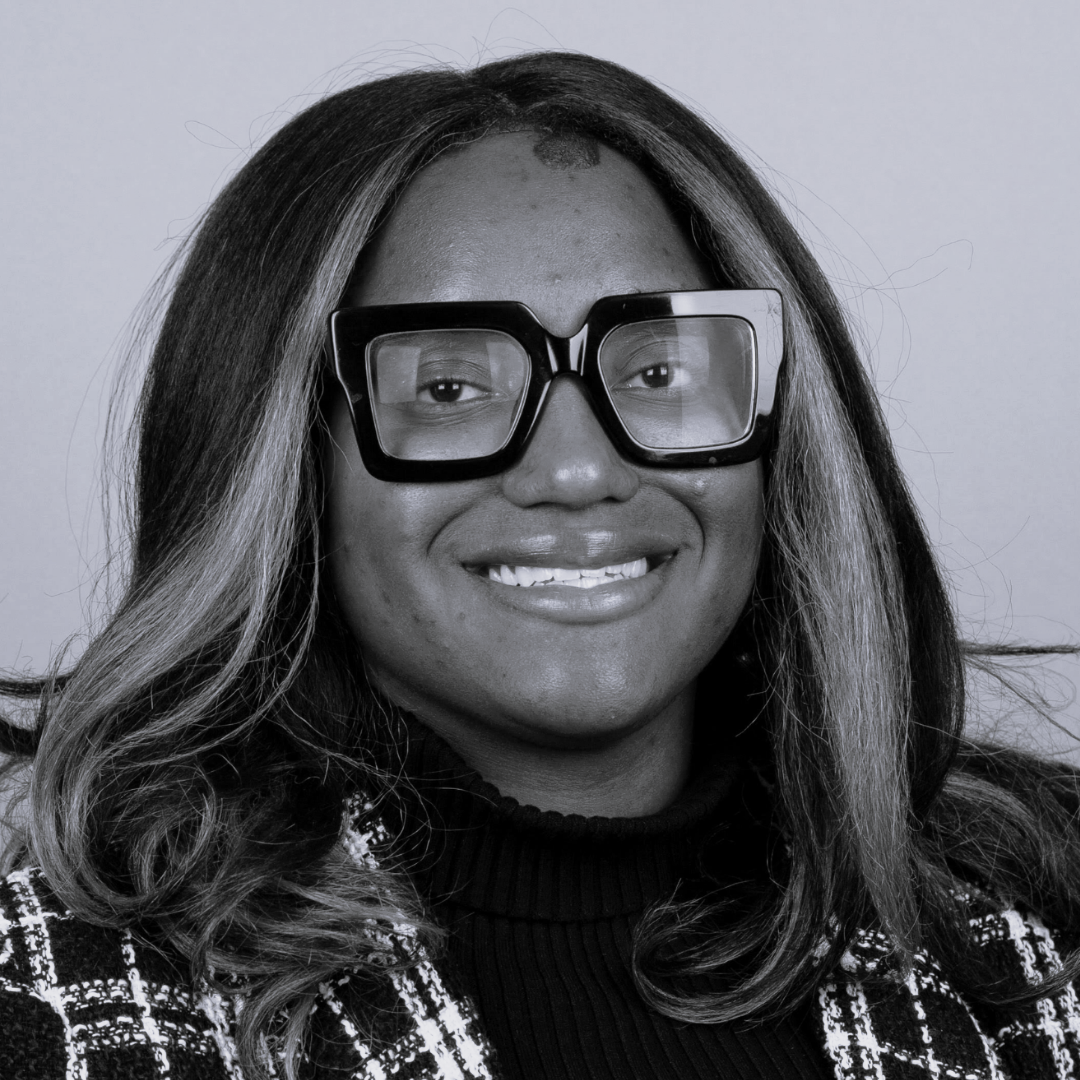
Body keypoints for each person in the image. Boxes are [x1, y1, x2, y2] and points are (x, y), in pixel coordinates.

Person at [1, 50, 1079, 1080]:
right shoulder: (63, 990)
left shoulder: (1024, 931)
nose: (578, 471)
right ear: (284, 464)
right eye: (449, 388)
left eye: (658, 371)